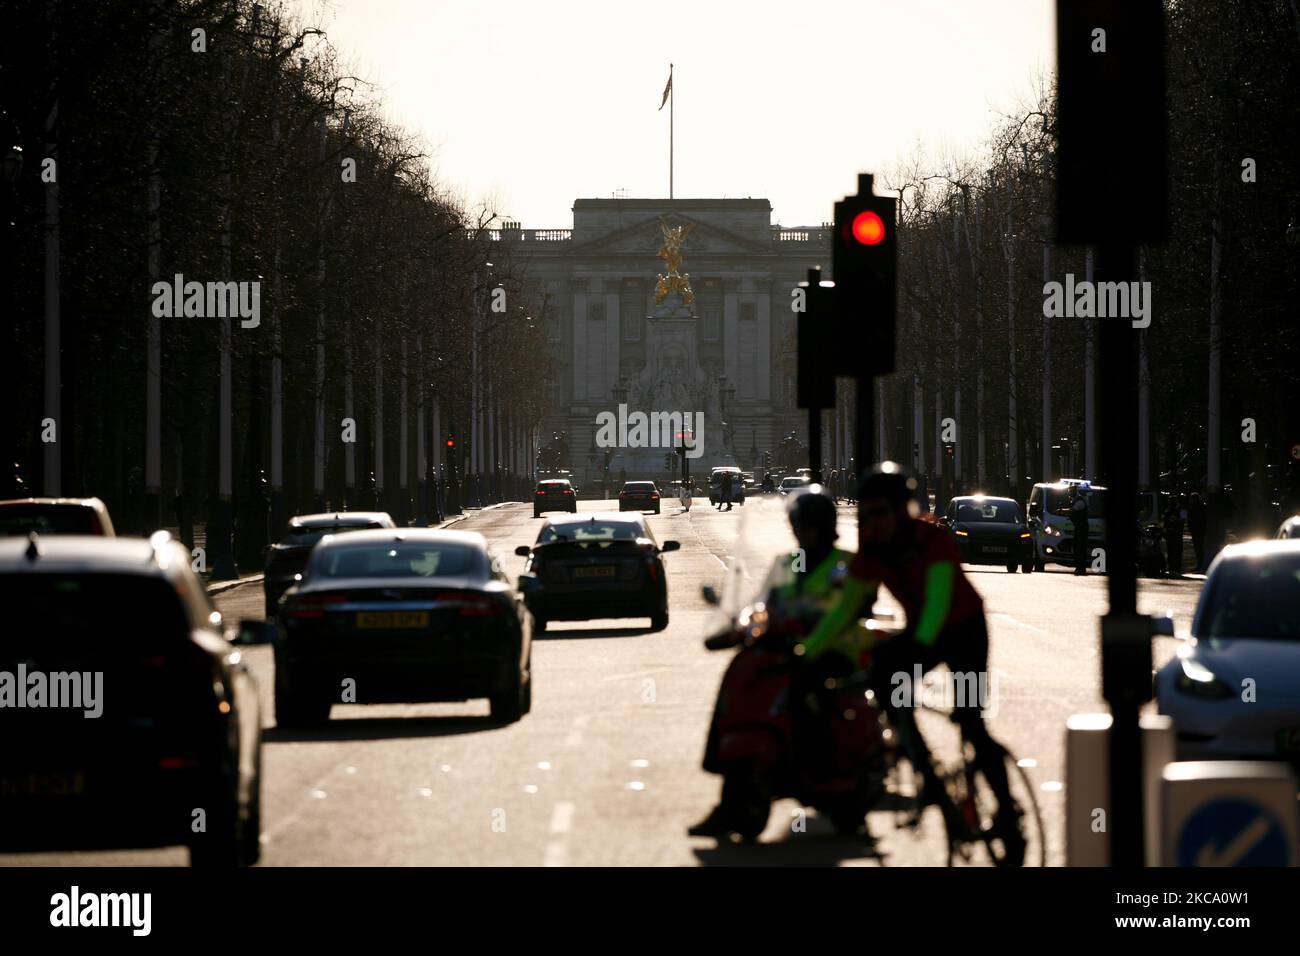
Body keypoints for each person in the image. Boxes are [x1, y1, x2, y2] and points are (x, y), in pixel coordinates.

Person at [798, 462, 1025, 861]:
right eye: (868, 513)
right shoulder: (873, 550)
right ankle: (923, 765)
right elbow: (845, 608)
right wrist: (807, 652)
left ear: (904, 509)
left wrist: (916, 649)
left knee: (971, 721)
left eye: (882, 512)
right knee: (882, 678)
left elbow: (938, 602)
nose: (875, 521)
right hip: (924, 630)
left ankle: (1008, 814)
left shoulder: (931, 539)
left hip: (964, 631)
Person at [689, 486, 856, 838]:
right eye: (797, 526)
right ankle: (730, 779)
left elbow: (846, 607)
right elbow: (766, 597)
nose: (800, 533)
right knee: (741, 676)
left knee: (810, 694)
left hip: (831, 651)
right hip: (786, 646)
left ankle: (826, 766)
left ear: (823, 527)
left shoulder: (843, 563)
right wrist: (745, 622)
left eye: (805, 526)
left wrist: (808, 626)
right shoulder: (790, 561)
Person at [1162, 495, 1186, 578]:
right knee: (1170, 551)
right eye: (1169, 501)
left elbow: (1184, 520)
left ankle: (1177, 569)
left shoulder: (1182, 509)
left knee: (1177, 551)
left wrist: (1176, 520)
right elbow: (1164, 519)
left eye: (1171, 501)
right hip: (1169, 533)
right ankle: (1171, 568)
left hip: (1177, 533)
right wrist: (1164, 528)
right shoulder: (1168, 508)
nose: (1170, 502)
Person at [1069, 485, 1090, 575]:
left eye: (1070, 491)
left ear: (1074, 491)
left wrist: (1061, 511)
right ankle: (1079, 567)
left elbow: (1073, 511)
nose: (1069, 493)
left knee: (1080, 548)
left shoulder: (1079, 501)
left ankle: (1081, 568)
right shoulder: (1076, 500)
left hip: (1082, 527)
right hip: (1079, 527)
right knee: (1077, 547)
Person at [1187, 491, 1207, 571]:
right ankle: (1201, 565)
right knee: (1199, 548)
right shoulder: (1199, 506)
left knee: (1199, 548)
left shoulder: (1196, 507)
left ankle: (1201, 565)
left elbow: (1194, 519)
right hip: (1198, 530)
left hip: (1198, 530)